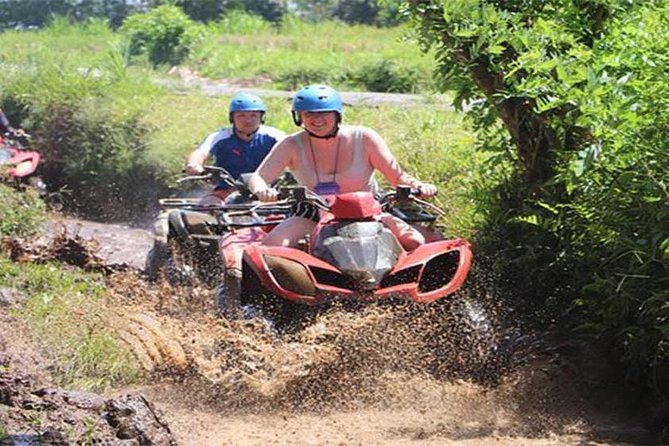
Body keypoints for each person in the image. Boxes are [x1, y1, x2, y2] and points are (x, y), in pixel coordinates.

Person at [248, 84, 437, 251]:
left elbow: (398, 177)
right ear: (299, 117)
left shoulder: (364, 138)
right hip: (312, 212)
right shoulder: (291, 144)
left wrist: (420, 186)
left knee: (415, 240)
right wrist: (263, 190)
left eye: (324, 113)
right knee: (272, 247)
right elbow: (259, 177)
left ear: (337, 114)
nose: (316, 119)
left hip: (366, 211)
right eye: (308, 114)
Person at [185, 93, 285, 205]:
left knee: (288, 211)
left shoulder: (274, 135)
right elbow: (201, 152)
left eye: (253, 116)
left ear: (261, 118)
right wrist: (193, 165)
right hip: (227, 188)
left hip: (267, 190)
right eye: (241, 116)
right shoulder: (220, 136)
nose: (248, 121)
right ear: (232, 118)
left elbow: (294, 150)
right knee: (208, 206)